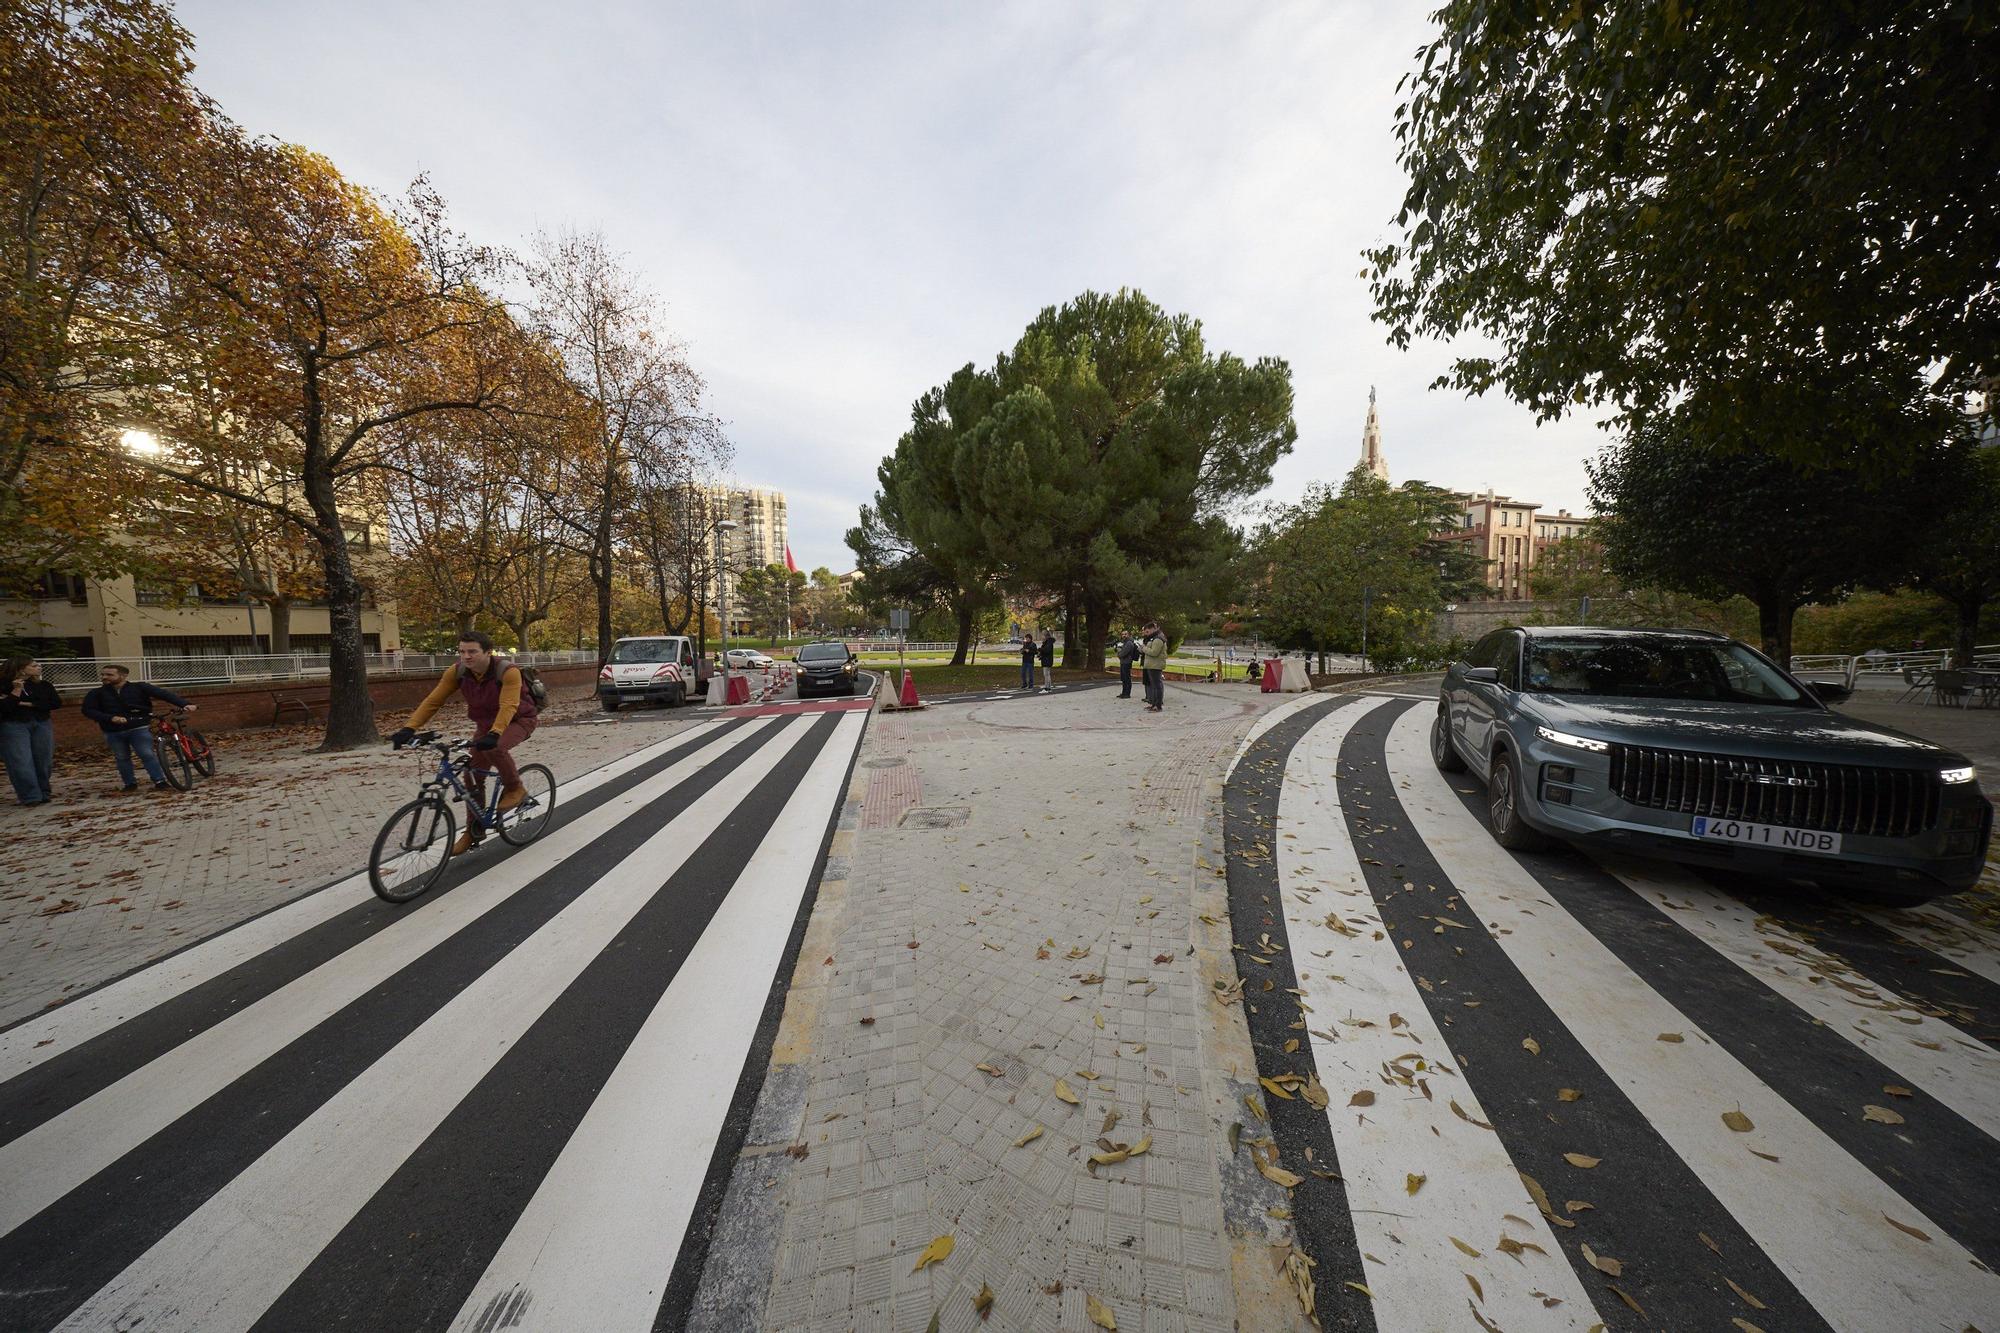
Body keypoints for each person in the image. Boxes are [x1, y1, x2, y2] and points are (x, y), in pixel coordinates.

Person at [391, 630, 541, 854]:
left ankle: (515, 788)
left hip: (518, 720)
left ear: (488, 652)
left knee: (496, 748)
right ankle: (474, 830)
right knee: (471, 773)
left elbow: (508, 705)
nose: (466, 656)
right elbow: (434, 700)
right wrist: (409, 728)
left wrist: (495, 733)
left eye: (472, 651)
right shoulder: (458, 671)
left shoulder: (508, 671)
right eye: (462, 651)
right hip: (486, 727)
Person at [79, 665, 191, 792]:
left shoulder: (139, 687)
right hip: (112, 730)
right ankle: (130, 784)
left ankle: (159, 781)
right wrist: (110, 718)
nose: (104, 677)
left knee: (146, 754)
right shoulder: (96, 693)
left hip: (138, 727)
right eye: (103, 674)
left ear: (123, 676)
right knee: (122, 757)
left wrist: (185, 704)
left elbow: (164, 694)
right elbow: (88, 710)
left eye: (109, 675)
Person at [0, 657, 62, 806]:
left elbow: (54, 703)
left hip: (41, 723)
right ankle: (30, 796)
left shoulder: (43, 685)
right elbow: (4, 708)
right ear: (21, 669)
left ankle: (44, 792)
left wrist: (25, 703)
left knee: (44, 760)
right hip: (13, 725)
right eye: (33, 666)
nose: (38, 667)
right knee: (20, 761)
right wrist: (16, 691)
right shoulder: (3, 685)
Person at [1140, 623, 1168, 711]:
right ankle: (1153, 704)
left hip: (1155, 665)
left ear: (1152, 629)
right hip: (1151, 665)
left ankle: (1158, 706)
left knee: (1157, 686)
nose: (1146, 634)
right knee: (1154, 686)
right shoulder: (1153, 638)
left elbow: (1154, 652)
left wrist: (1144, 648)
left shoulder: (1158, 639)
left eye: (1147, 631)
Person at [1115, 631, 1138, 698]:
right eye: (1122, 634)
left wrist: (1119, 653)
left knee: (1127, 678)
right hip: (1124, 662)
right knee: (1124, 678)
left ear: (1128, 635)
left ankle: (1127, 694)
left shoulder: (1129, 643)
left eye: (1125, 634)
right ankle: (1124, 693)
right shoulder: (1125, 642)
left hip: (1127, 662)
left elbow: (1124, 653)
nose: (1124, 635)